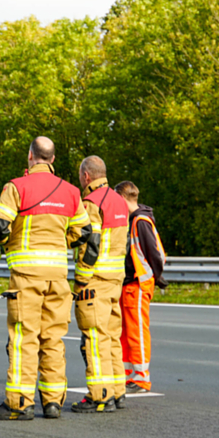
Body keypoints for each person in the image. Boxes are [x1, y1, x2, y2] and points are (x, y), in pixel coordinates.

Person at [0, 137, 92, 420]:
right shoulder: (71, 192)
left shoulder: (16, 187)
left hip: (25, 278)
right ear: (53, 160)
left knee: (24, 339)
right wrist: (60, 242)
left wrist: (9, 242)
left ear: (30, 156)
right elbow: (84, 232)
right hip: (58, 278)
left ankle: (19, 403)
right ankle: (53, 402)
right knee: (54, 339)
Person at [71, 156, 130, 413]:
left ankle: (98, 395)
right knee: (112, 337)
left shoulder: (92, 203)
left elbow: (91, 244)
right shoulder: (120, 200)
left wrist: (81, 279)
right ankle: (118, 391)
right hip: (116, 279)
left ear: (86, 176)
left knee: (93, 338)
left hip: (95, 281)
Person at [114, 181, 167, 393]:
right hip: (128, 283)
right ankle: (130, 375)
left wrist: (157, 276)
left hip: (138, 283)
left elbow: (155, 253)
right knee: (125, 332)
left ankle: (141, 377)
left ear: (123, 198)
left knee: (137, 331)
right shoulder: (133, 220)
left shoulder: (140, 221)